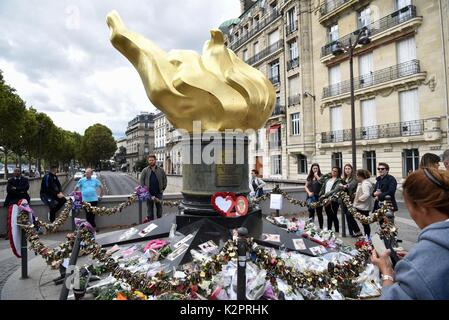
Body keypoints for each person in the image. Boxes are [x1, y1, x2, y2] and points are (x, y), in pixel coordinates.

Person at [371, 168, 449, 299]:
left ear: (422, 207)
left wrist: (387, 272)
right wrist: (418, 258)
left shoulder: (422, 265)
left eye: (409, 207)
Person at [140, 155, 167, 220]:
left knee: (159, 209)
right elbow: (141, 181)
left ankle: (159, 222)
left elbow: (165, 179)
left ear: (155, 160)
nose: (151, 161)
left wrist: (163, 188)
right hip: (149, 193)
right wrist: (145, 191)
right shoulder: (145, 170)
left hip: (158, 193)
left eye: (152, 160)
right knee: (150, 209)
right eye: (150, 160)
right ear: (148, 161)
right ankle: (150, 222)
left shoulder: (161, 170)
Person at [339, 164, 362, 237]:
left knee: (350, 216)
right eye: (346, 169)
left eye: (349, 168)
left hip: (352, 200)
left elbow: (352, 184)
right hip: (344, 200)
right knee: (347, 216)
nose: (347, 170)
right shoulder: (343, 179)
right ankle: (352, 233)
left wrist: (345, 186)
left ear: (351, 170)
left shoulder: (354, 178)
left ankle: (358, 231)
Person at [319, 166, 343, 233]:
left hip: (333, 199)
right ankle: (329, 230)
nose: (333, 172)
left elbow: (335, 190)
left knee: (334, 215)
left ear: (338, 173)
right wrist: (327, 174)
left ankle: (337, 231)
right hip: (325, 199)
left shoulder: (339, 180)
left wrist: (326, 194)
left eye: (335, 171)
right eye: (332, 170)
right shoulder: (328, 179)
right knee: (328, 215)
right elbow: (320, 180)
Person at [353, 169, 374, 238]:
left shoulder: (365, 183)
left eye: (357, 176)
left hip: (363, 206)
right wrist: (357, 194)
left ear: (360, 176)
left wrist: (359, 199)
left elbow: (366, 194)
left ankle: (366, 236)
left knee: (365, 222)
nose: (356, 177)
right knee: (364, 222)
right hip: (361, 206)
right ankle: (366, 236)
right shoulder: (363, 183)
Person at [304, 163, 324, 229]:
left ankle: (321, 227)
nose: (315, 169)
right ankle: (311, 227)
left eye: (316, 168)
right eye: (314, 168)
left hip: (318, 197)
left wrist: (317, 176)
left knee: (319, 213)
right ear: (311, 169)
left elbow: (322, 183)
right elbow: (306, 186)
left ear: (318, 169)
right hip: (310, 197)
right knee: (311, 212)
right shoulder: (309, 177)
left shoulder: (321, 176)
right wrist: (309, 192)